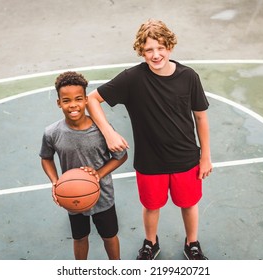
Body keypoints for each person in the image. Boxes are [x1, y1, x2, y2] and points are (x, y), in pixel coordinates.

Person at [87, 19, 212, 260]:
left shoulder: (188, 77)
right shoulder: (132, 78)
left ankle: (192, 243)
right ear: (141, 51)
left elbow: (201, 118)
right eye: (149, 50)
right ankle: (151, 243)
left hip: (186, 158)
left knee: (189, 204)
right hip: (149, 160)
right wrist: (109, 132)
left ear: (170, 47)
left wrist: (205, 156)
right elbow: (92, 99)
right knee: (151, 206)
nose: (155, 55)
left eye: (160, 48)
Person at [39, 71, 128, 260]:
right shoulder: (52, 133)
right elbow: (46, 157)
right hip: (72, 196)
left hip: (103, 195)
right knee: (79, 237)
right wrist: (55, 182)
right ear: (59, 103)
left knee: (109, 236)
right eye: (66, 100)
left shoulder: (102, 129)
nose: (73, 105)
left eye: (78, 99)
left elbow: (121, 156)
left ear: (86, 100)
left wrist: (98, 173)